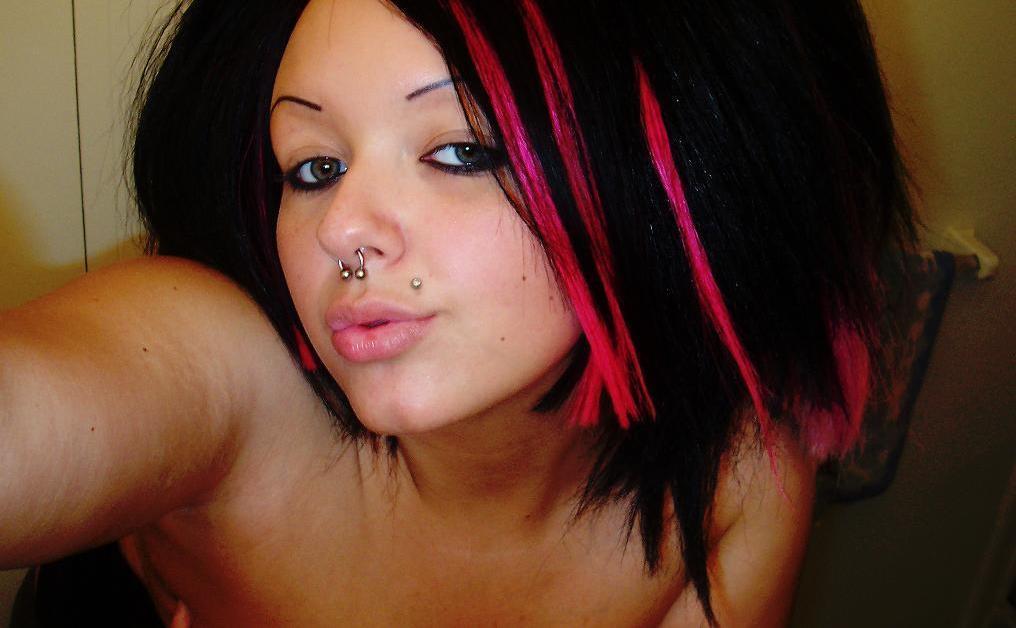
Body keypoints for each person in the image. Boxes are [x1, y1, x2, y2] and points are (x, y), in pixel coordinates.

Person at [1, 0, 915, 625]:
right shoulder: (228, 375)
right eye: (314, 168)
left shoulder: (734, 480)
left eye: (460, 151)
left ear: (667, 181)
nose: (342, 229)